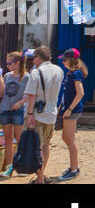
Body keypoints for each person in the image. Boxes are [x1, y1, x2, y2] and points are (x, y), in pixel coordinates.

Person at [22, 45, 63, 184]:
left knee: (36, 147)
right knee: (46, 145)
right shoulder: (59, 70)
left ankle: (39, 178)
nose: (33, 61)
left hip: (37, 114)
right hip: (51, 113)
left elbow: (31, 96)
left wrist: (30, 114)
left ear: (38, 58)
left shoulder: (36, 72)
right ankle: (41, 175)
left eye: (34, 58)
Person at [55, 48, 85, 182]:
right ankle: (73, 167)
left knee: (69, 139)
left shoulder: (75, 74)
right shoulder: (70, 73)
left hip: (72, 111)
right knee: (67, 138)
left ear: (71, 60)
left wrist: (70, 109)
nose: (63, 62)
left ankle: (74, 169)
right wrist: (62, 107)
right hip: (68, 110)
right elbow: (67, 93)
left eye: (65, 60)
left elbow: (80, 93)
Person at [0, 51, 28, 178]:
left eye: (9, 63)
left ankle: (20, 166)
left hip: (18, 111)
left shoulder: (26, 77)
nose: (7, 65)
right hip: (5, 110)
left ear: (18, 63)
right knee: (8, 140)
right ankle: (9, 167)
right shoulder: (6, 76)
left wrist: (20, 103)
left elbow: (30, 94)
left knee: (19, 139)